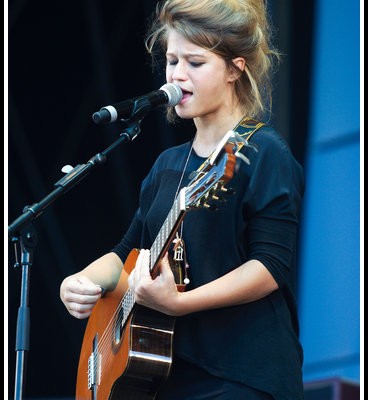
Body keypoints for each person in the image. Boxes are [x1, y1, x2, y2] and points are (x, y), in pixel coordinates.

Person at [60, 0, 305, 399]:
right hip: (167, 379)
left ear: (234, 68)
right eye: (172, 61)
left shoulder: (261, 152)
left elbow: (270, 267)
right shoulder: (168, 164)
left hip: (240, 375)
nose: (176, 75)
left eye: (195, 62)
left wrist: (180, 303)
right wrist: (82, 279)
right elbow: (128, 252)